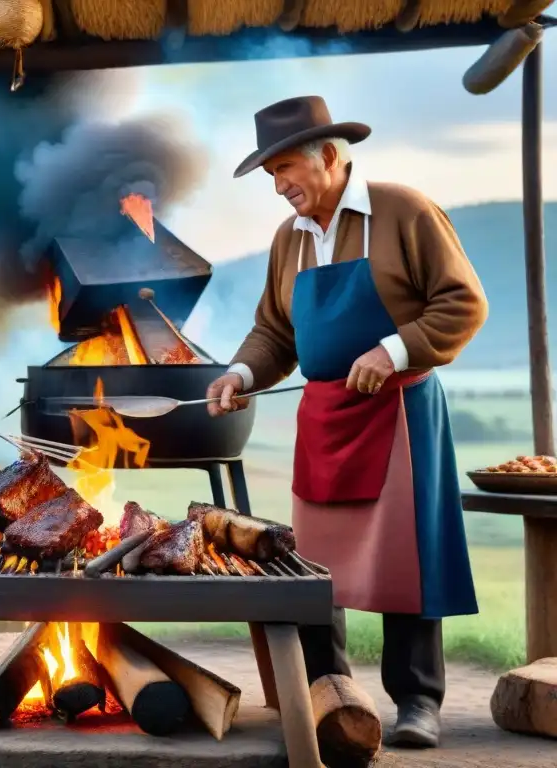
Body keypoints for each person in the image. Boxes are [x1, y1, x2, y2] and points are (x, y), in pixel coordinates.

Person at [206, 96, 487, 749]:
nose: (279, 188)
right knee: (312, 566)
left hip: (400, 414)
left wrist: (391, 351)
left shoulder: (404, 211)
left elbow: (462, 302)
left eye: (286, 170)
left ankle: (418, 701)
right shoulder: (289, 239)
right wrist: (240, 375)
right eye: (271, 175)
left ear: (331, 156)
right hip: (326, 418)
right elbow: (274, 332)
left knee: (406, 560)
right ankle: (329, 690)